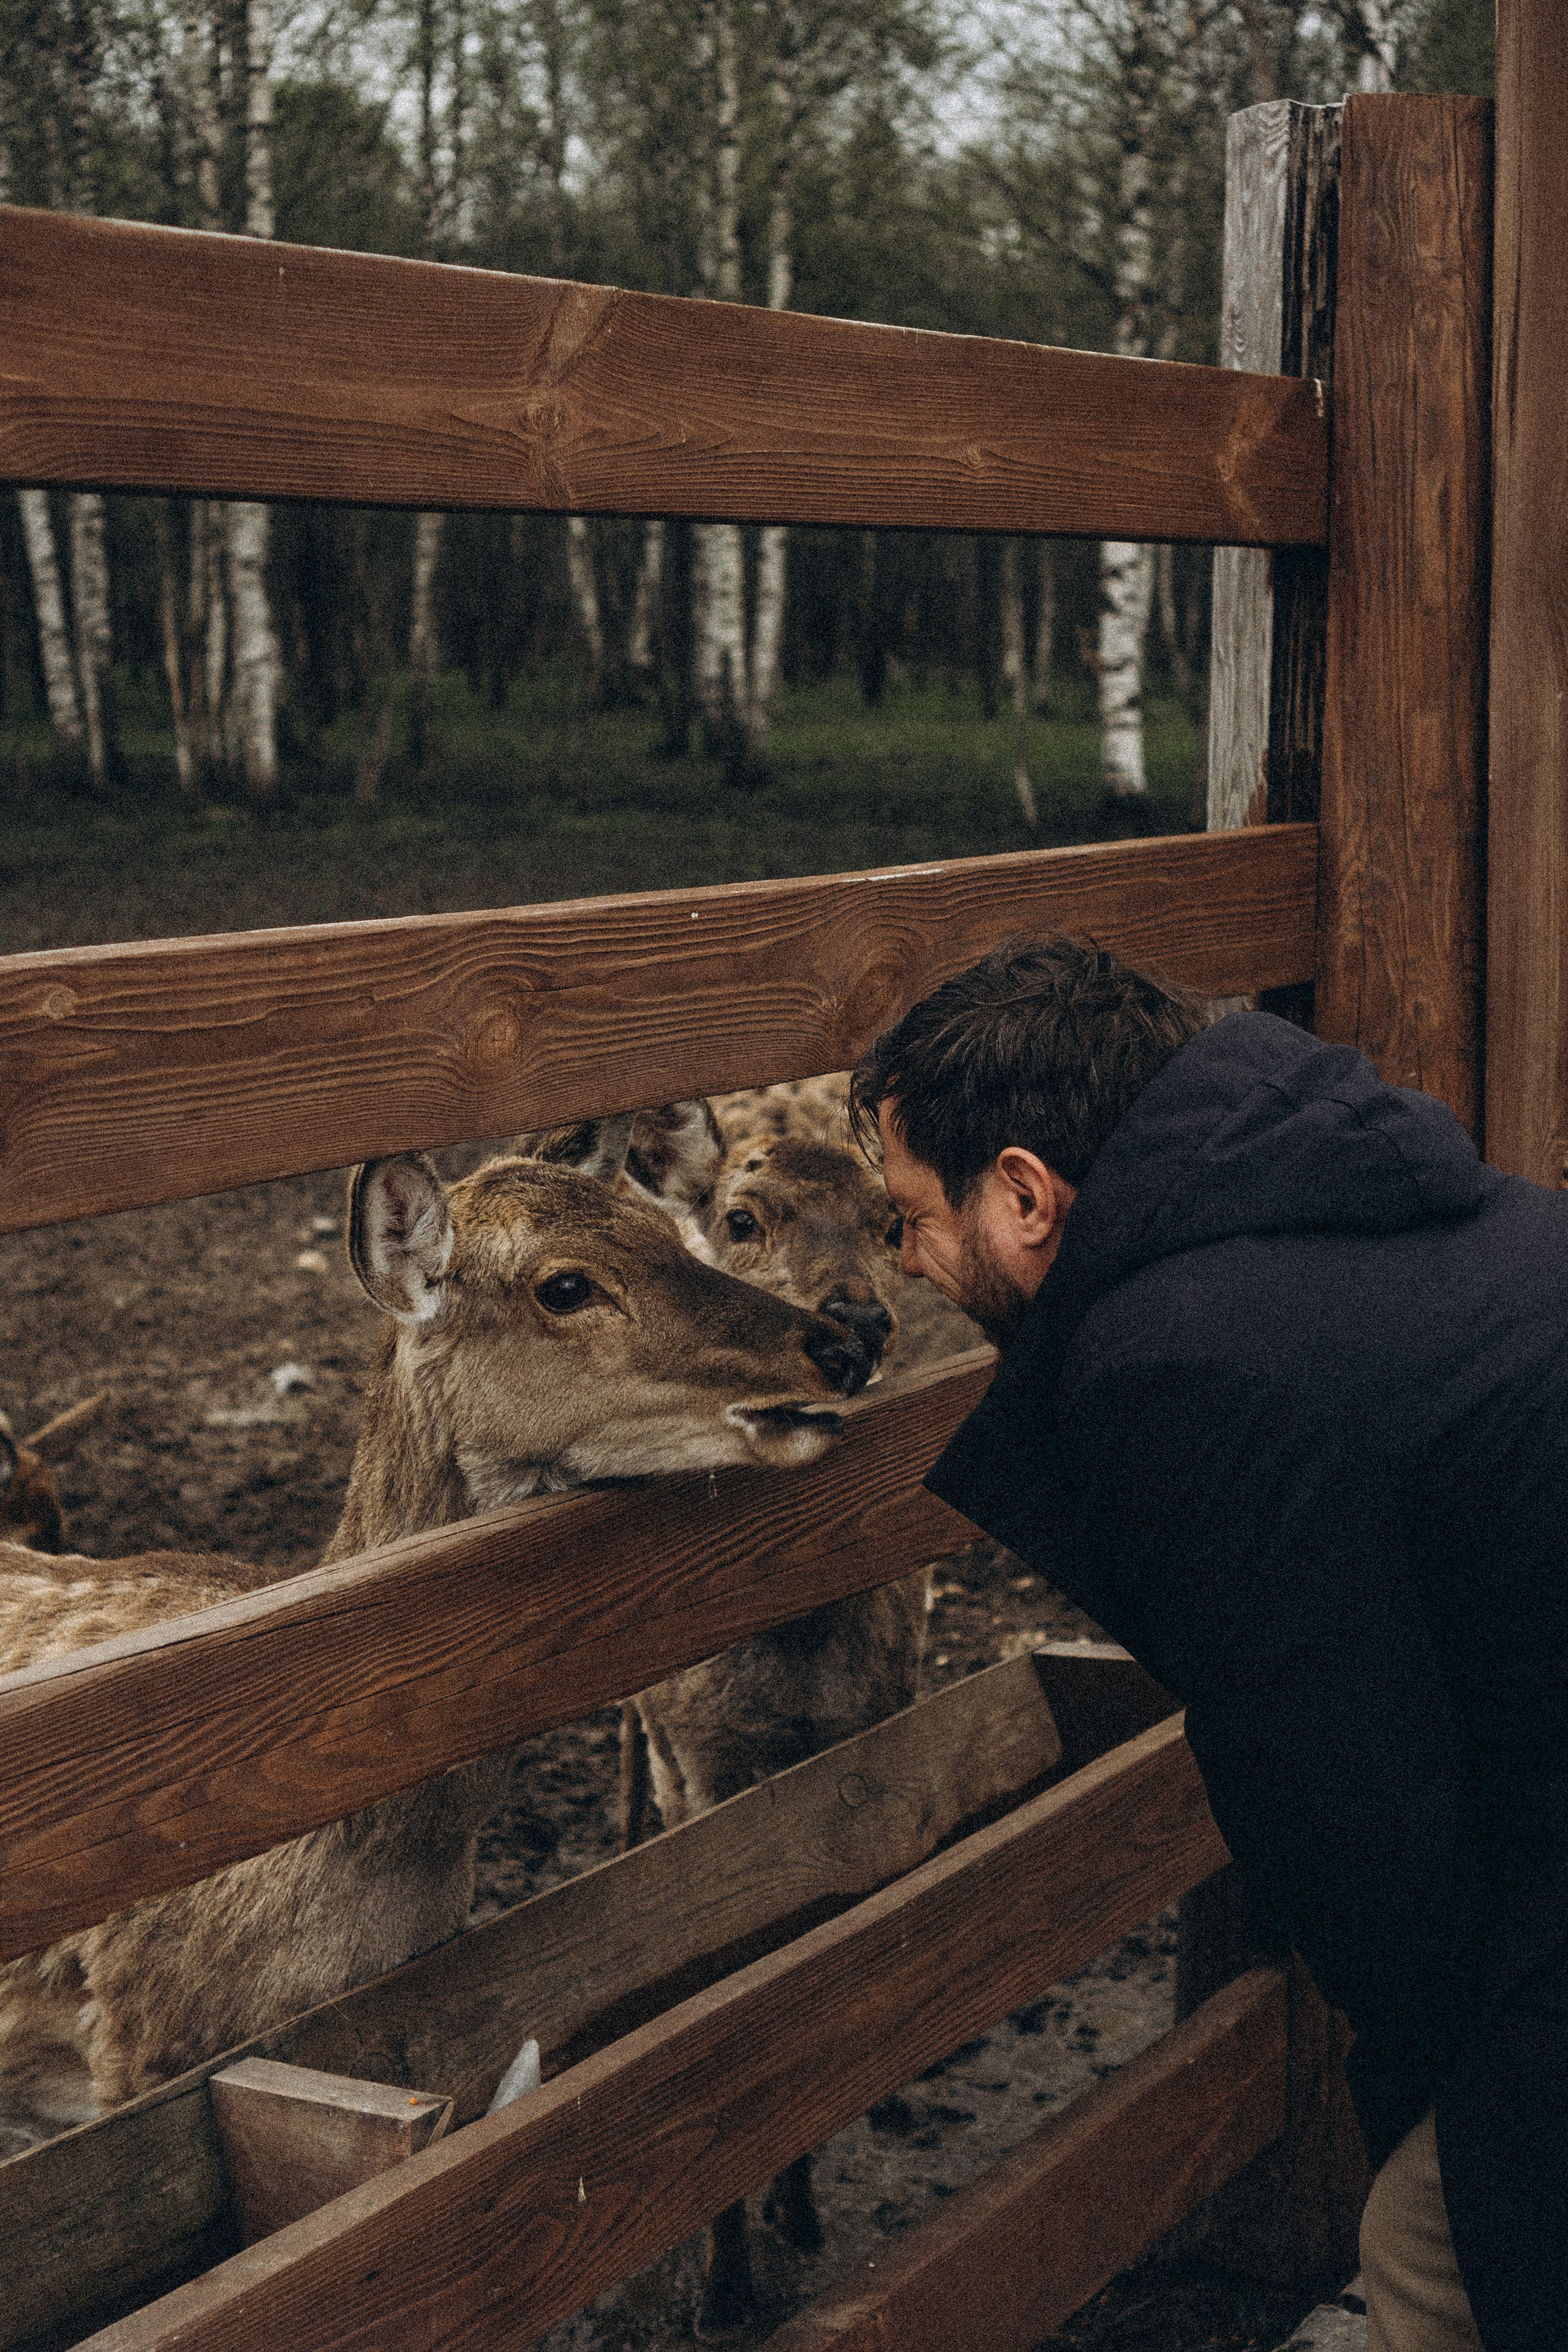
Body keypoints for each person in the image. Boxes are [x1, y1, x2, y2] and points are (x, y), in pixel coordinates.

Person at [849, 932, 1568, 2352]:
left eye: (910, 1218)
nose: (906, 1263)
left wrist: (1446, 2076)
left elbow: (1344, 1792)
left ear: (1024, 1195)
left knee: (1438, 2251)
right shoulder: (1372, 1196)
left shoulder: (1179, 1366)